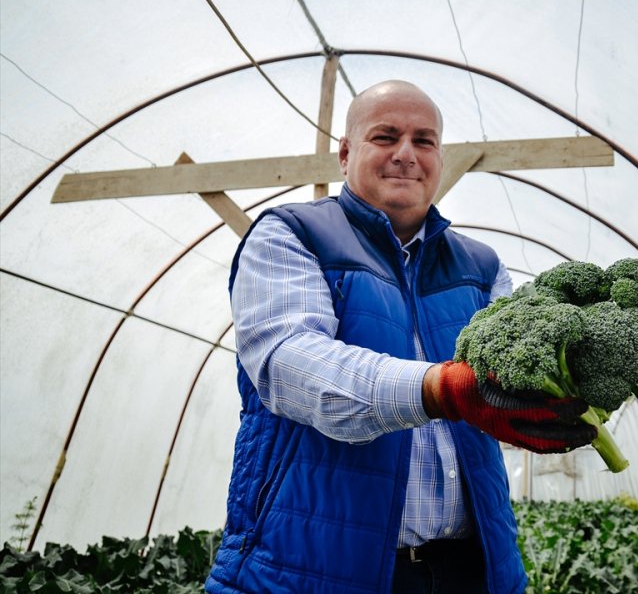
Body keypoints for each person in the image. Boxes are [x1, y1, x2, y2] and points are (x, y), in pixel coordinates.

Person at [205, 80, 596, 594]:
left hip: (470, 569)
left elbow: (511, 384)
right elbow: (289, 364)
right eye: (385, 136)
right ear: (346, 154)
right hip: (316, 568)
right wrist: (441, 389)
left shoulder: (481, 267)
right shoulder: (292, 235)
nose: (406, 155)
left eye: (425, 140)